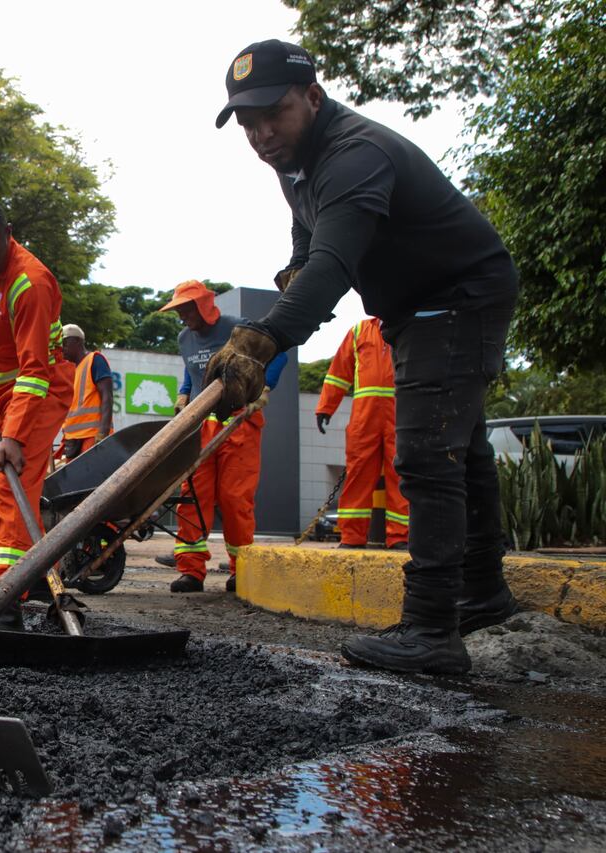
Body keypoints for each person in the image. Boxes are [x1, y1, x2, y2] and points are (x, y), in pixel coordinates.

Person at [208, 39, 519, 674]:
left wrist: (263, 336)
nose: (262, 134)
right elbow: (309, 232)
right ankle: (482, 592)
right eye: (248, 122)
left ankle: (432, 629)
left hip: (458, 296)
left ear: (313, 98)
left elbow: (335, 263)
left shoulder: (354, 154)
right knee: (465, 447)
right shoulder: (295, 158)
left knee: (428, 457)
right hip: (417, 307)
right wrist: (294, 266)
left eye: (274, 114)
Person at [0, 198, 74, 629]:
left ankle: (4, 601)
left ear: (9, 233)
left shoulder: (31, 284)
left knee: (10, 487)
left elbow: (36, 373)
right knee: (6, 487)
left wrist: (16, 435)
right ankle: (38, 574)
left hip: (38, 391)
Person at [152, 280, 286, 593]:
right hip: (199, 426)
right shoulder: (184, 337)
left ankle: (242, 570)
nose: (182, 317)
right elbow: (192, 368)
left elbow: (278, 353)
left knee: (234, 498)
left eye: (186, 309)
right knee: (193, 498)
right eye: (179, 311)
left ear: (203, 305)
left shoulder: (236, 328)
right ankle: (191, 571)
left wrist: (265, 387)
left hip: (238, 423)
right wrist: (184, 392)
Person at [315, 318, 408, 550]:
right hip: (364, 418)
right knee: (358, 474)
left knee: (400, 474)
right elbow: (339, 372)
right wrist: (326, 406)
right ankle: (352, 537)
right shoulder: (358, 332)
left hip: (400, 414)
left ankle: (400, 536)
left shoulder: (408, 324)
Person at [60, 323, 113, 461]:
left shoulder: (95, 360)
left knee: (91, 478)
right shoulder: (69, 370)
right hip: (72, 438)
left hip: (92, 435)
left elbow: (107, 396)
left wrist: (103, 432)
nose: (62, 348)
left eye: (65, 343)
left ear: (78, 341)